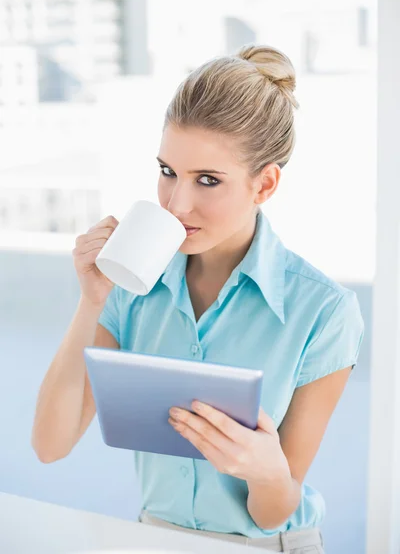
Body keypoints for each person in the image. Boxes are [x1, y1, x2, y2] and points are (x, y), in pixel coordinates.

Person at [31, 44, 364, 553]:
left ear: (265, 184)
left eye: (207, 180)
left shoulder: (322, 312)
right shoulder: (132, 286)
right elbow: (49, 446)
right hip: (152, 537)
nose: (176, 203)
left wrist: (264, 469)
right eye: (168, 172)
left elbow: (274, 509)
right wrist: (91, 300)